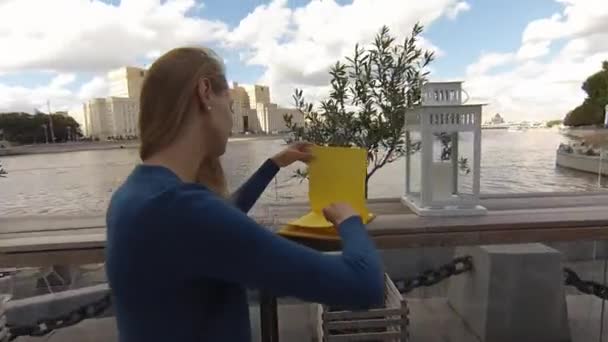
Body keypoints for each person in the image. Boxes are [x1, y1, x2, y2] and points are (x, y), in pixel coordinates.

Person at [106, 46, 384, 342]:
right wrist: (350, 222)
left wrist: (273, 165)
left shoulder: (134, 196)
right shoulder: (182, 212)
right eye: (231, 104)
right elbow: (362, 285)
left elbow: (218, 221)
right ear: (205, 92)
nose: (232, 117)